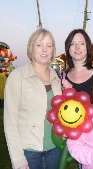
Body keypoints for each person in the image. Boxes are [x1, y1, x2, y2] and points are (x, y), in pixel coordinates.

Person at [4, 28, 62, 169]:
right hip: (29, 152)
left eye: (49, 46)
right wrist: (18, 160)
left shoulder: (55, 77)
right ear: (31, 48)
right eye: (39, 45)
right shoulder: (17, 77)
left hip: (55, 148)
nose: (44, 50)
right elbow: (10, 122)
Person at [62, 28, 93, 97]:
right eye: (72, 44)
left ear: (87, 47)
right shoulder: (63, 78)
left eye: (82, 43)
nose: (77, 47)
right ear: (68, 48)